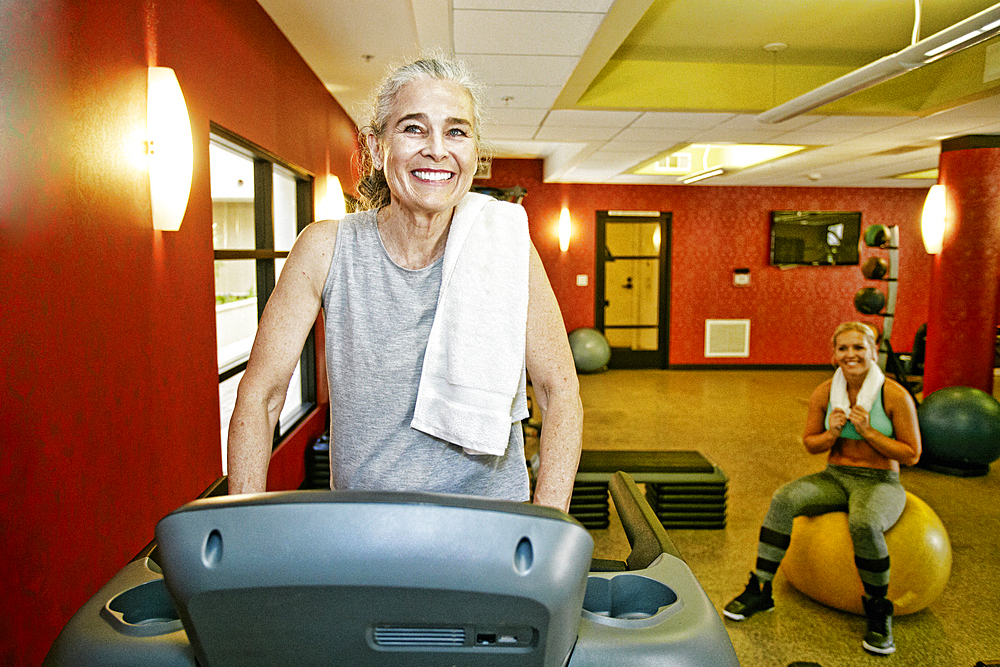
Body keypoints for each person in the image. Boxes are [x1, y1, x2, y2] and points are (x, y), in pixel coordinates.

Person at [226, 56, 583, 512]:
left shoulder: (507, 246)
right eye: (414, 128)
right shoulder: (325, 248)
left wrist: (547, 526)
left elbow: (560, 393)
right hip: (367, 523)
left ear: (474, 151)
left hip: (489, 521)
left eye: (457, 131)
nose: (437, 149)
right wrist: (238, 529)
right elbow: (262, 394)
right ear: (377, 148)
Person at [723, 322, 921, 656]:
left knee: (864, 523)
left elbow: (912, 454)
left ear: (874, 351)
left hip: (880, 480)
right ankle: (760, 589)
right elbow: (811, 444)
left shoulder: (895, 395)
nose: (851, 355)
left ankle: (877, 609)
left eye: (859, 347)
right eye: (843, 348)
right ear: (834, 355)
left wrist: (868, 432)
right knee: (784, 498)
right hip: (835, 475)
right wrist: (831, 435)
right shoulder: (825, 392)